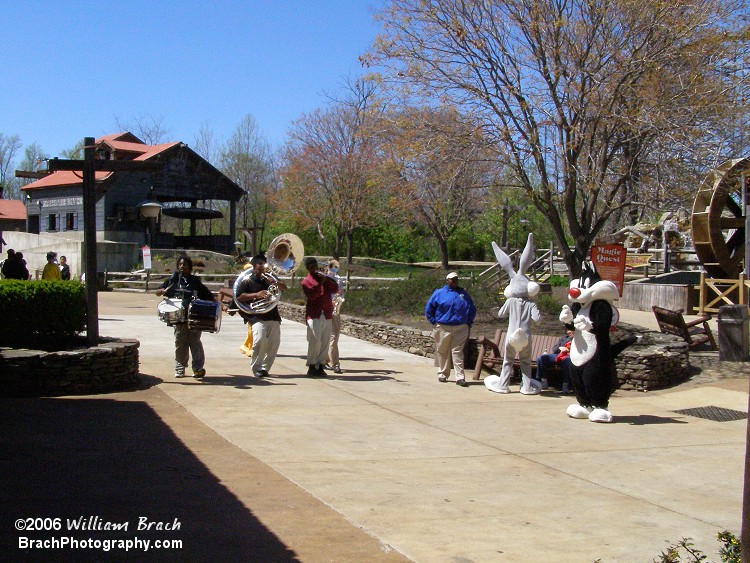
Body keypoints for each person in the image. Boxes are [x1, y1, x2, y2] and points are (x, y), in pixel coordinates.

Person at [156, 254, 215, 379]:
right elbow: (159, 290)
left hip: (193, 316)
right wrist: (161, 291)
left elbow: (208, 295)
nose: (182, 267)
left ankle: (198, 368)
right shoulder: (173, 280)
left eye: (185, 264)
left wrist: (220, 304)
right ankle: (180, 368)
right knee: (180, 342)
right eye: (180, 264)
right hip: (178, 318)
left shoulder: (195, 281)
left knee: (195, 343)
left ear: (190, 267)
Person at [235, 254, 287, 378]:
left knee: (274, 343)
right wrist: (257, 294)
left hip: (273, 315)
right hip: (257, 316)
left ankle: (264, 368)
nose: (262, 271)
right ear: (254, 267)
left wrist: (275, 282)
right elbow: (239, 296)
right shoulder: (247, 280)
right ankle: (257, 367)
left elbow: (284, 288)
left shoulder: (269, 279)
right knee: (259, 341)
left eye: (264, 268)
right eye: (260, 268)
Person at [424, 272, 477, 387]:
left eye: (456, 279)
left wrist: (468, 322)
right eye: (452, 279)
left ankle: (460, 377)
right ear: (447, 280)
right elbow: (429, 308)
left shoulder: (463, 293)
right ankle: (443, 373)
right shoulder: (439, 293)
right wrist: (434, 322)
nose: (454, 281)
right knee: (443, 350)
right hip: (443, 326)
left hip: (460, 326)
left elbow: (471, 308)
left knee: (457, 352)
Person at [301, 257, 339, 377]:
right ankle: (312, 366)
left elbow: (335, 289)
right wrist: (321, 283)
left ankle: (320, 365)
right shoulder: (306, 281)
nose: (314, 268)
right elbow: (312, 295)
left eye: (315, 265)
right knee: (315, 340)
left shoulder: (324, 279)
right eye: (311, 266)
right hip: (314, 314)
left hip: (326, 313)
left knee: (325, 341)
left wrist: (328, 278)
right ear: (308, 268)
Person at [534, 324, 574, 393]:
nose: (568, 332)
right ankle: (543, 381)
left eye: (570, 330)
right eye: (567, 330)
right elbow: (554, 349)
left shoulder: (578, 340)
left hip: (569, 356)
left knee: (567, 361)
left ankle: (565, 384)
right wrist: (560, 348)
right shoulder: (563, 338)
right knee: (541, 358)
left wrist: (569, 350)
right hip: (558, 355)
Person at [325, 259, 345, 374]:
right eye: (331, 266)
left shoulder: (338, 279)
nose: (333, 268)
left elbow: (341, 293)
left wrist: (340, 294)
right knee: (334, 336)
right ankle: (335, 363)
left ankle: (326, 360)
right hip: (330, 309)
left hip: (334, 307)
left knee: (329, 337)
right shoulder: (325, 279)